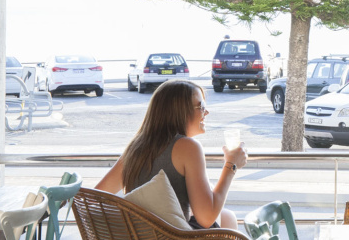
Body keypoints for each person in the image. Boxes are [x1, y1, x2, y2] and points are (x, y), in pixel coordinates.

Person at [96, 80, 248, 229]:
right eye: (201, 106)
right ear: (180, 111)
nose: (206, 112)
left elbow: (94, 196)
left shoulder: (135, 148)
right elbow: (206, 218)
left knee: (227, 216)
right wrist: (231, 165)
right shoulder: (189, 147)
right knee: (226, 218)